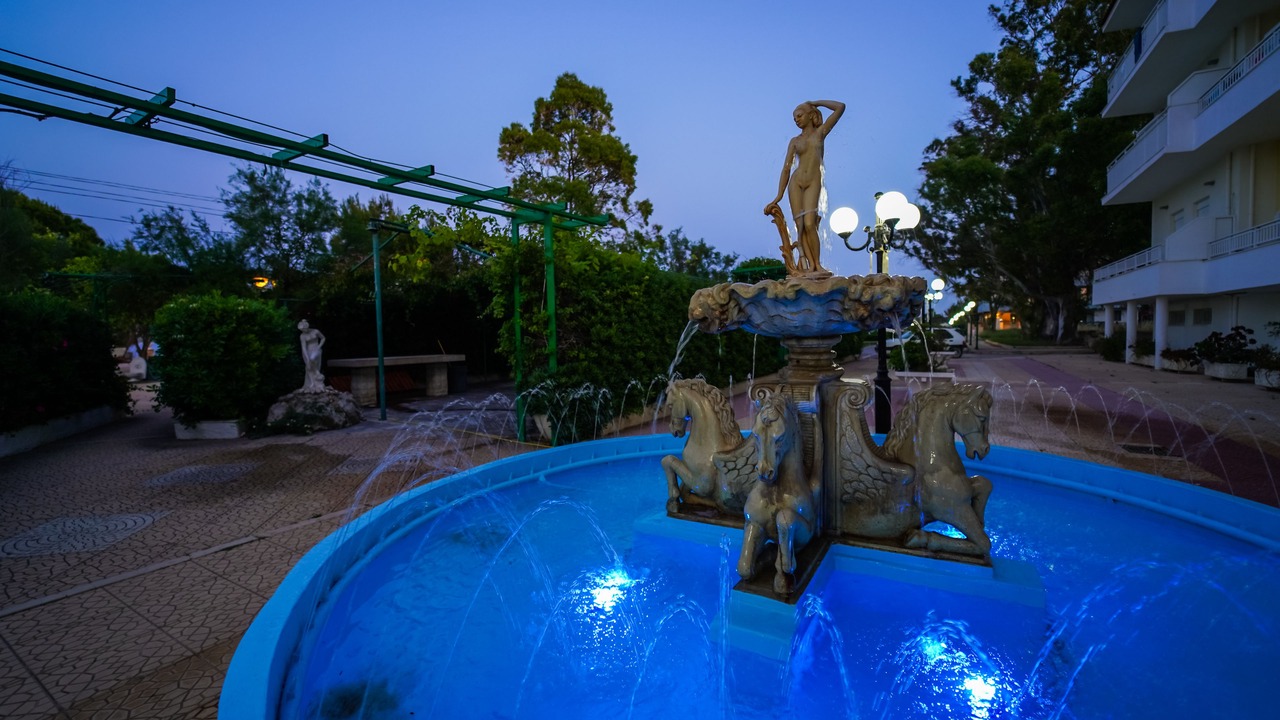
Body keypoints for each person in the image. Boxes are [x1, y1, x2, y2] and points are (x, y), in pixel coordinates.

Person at [764, 100, 845, 276]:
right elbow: (786, 168)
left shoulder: (820, 133)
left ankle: (818, 264)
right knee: (800, 226)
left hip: (813, 181)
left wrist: (816, 103)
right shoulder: (795, 141)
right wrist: (779, 195)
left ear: (810, 115)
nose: (797, 120)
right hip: (796, 182)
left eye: (799, 116)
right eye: (794, 119)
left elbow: (840, 107)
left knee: (810, 223)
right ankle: (810, 267)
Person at [298, 319, 326, 392]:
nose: (304, 331)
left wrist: (319, 346)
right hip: (308, 351)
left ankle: (317, 372)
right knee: (308, 367)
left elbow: (323, 338)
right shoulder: (302, 336)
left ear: (307, 327)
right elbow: (303, 347)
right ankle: (312, 383)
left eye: (304, 329)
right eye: (302, 330)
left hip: (316, 349)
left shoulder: (315, 331)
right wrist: (306, 358)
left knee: (312, 359)